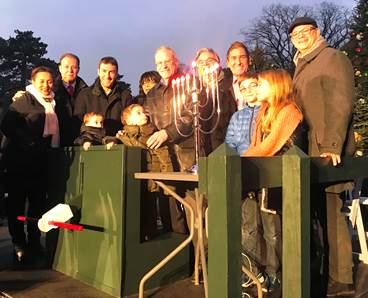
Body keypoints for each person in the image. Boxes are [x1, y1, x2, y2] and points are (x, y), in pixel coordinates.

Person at [289, 16, 356, 296]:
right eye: (295, 34)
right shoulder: (300, 66)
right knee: (317, 213)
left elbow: (341, 101)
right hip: (307, 152)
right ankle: (324, 269)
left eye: (306, 31)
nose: (301, 36)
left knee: (331, 212)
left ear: (317, 33)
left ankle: (341, 279)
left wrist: (332, 144)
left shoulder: (332, 58)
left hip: (327, 150)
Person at [242, 69, 304, 293]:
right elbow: (256, 145)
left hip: (280, 181)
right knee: (263, 230)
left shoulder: (289, 111)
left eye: (261, 84)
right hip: (264, 179)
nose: (257, 87)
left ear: (276, 85)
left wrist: (242, 160)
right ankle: (265, 273)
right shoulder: (264, 111)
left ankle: (279, 276)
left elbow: (270, 146)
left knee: (275, 232)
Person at [1, 66, 60, 262]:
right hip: (19, 162)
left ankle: (34, 241)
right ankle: (19, 243)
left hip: (40, 163)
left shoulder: (53, 102)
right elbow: (7, 124)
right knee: (17, 206)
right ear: (33, 82)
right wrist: (27, 141)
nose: (46, 84)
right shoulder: (24, 99)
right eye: (42, 81)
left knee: (37, 205)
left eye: (49, 81)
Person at [145, 46, 195, 233]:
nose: (163, 66)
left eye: (167, 61)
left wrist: (167, 133)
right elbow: (148, 122)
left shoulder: (190, 84)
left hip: (188, 156)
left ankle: (198, 258)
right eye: (159, 63)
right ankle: (178, 257)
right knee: (169, 211)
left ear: (175, 61)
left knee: (194, 210)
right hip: (164, 158)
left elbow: (190, 117)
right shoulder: (152, 94)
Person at [74, 56, 133, 137]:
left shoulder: (125, 96)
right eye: (104, 71)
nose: (107, 76)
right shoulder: (84, 95)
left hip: (117, 144)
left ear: (116, 73)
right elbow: (77, 123)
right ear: (98, 71)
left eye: (111, 72)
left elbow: (130, 123)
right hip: (91, 145)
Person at [194, 47, 237, 155]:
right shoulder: (192, 91)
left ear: (219, 65)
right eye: (201, 62)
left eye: (210, 61)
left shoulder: (231, 86)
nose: (205, 65)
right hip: (200, 154)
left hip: (224, 152)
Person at [55, 53, 88, 146]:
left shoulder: (88, 92)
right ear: (60, 68)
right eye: (66, 67)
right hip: (56, 142)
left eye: (74, 67)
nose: (70, 70)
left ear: (78, 69)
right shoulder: (50, 90)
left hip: (82, 143)